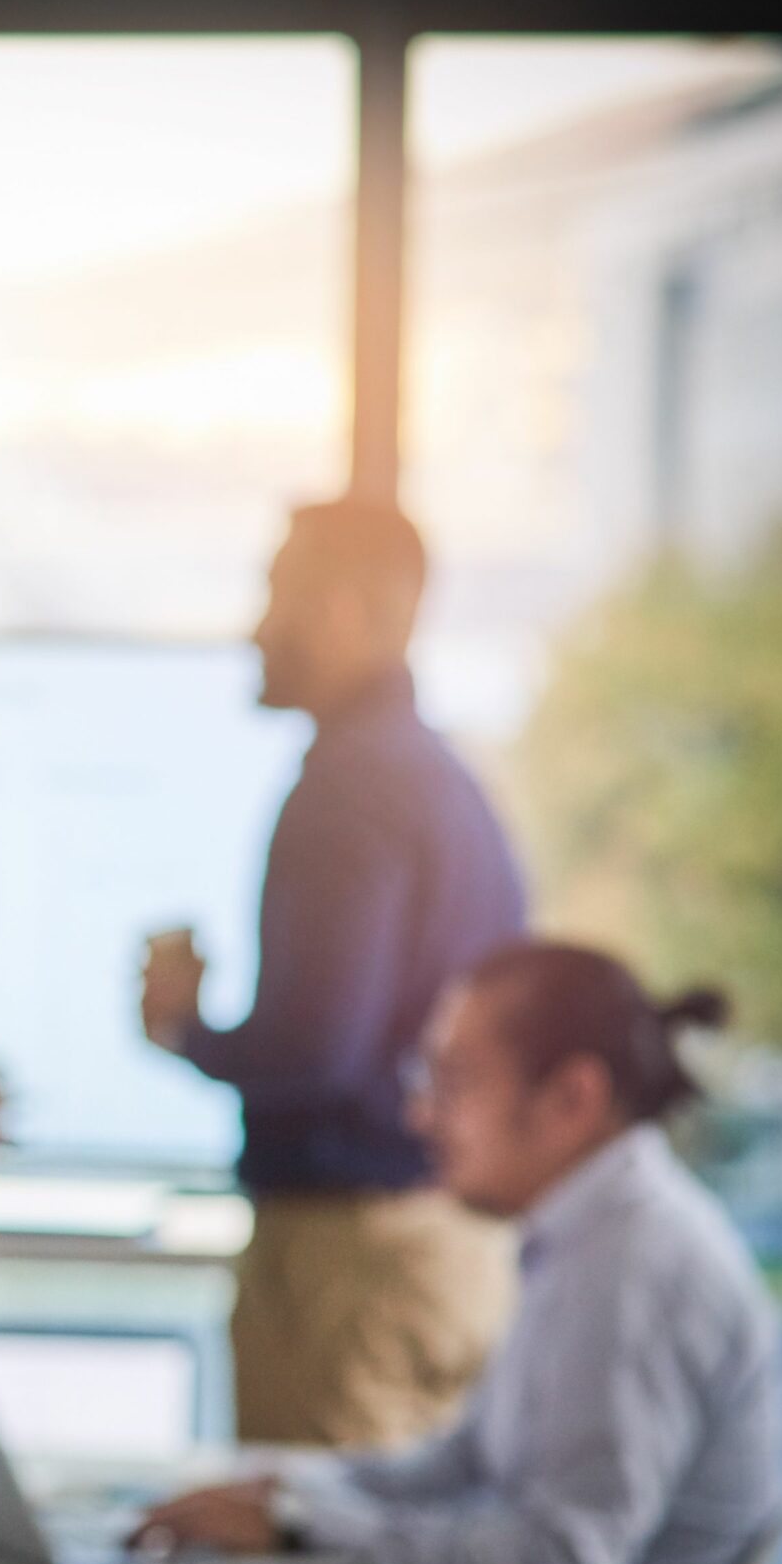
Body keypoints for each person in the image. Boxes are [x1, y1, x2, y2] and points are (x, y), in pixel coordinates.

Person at [97, 942, 782, 1564]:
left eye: (452, 1081)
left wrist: (310, 1526)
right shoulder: (596, 1237)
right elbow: (466, 1462)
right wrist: (295, 1494)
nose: (419, 1115)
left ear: (572, 1098)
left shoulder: (633, 1272)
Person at [142, 497, 524, 1455]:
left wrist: (185, 1023)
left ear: (346, 610)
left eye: (279, 593)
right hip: (446, 1244)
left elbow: (315, 1052)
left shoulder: (348, 788)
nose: (257, 627)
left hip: (350, 1257)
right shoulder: (444, 779)